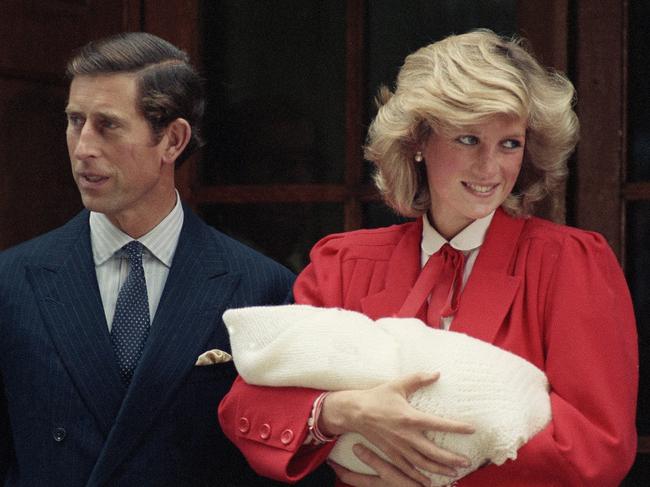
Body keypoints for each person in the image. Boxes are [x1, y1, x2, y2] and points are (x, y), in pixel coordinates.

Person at [218, 29, 638, 487]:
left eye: (510, 143)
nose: (490, 168)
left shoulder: (570, 264)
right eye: (468, 139)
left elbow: (599, 447)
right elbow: (245, 405)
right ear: (418, 140)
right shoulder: (343, 263)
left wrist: (433, 479)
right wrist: (340, 412)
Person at [0, 32, 296, 486]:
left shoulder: (261, 287)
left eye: (108, 125)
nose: (82, 147)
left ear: (173, 140)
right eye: (75, 121)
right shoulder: (11, 281)